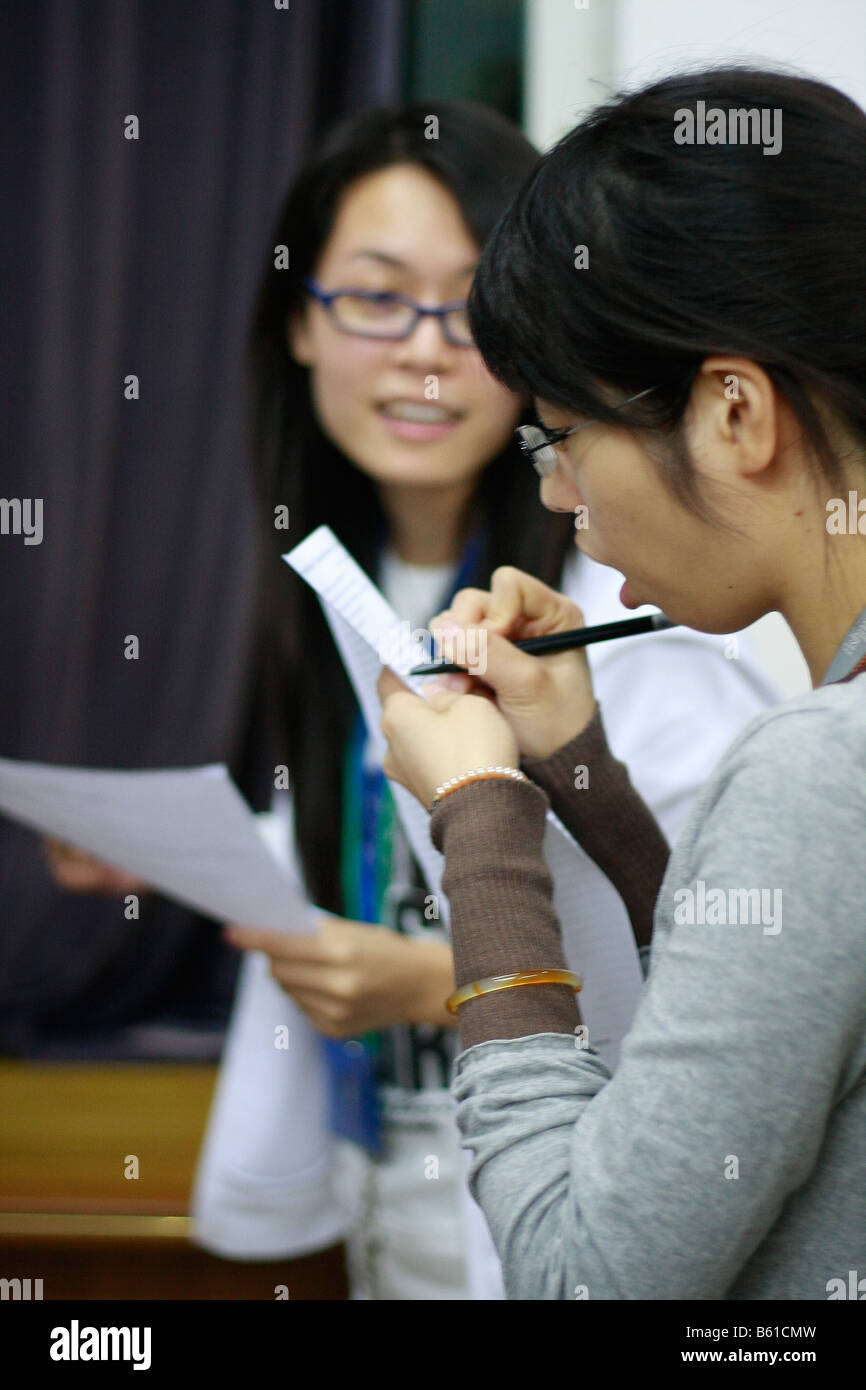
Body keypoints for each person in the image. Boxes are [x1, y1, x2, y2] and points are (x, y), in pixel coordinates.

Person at [48, 100, 784, 1300]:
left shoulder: (628, 617)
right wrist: (176, 858)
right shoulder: (323, 586)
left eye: (471, 308)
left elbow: (720, 987)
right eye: (378, 296)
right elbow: (377, 833)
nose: (427, 350)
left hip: (558, 1206)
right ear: (298, 322)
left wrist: (424, 981)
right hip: (379, 1186)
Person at [377, 67, 866, 1299]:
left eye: (560, 437)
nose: (554, 498)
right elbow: (776, 1017)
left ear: (735, 411)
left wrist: (480, 819)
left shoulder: (819, 765)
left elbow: (578, 1274)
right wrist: (579, 774)